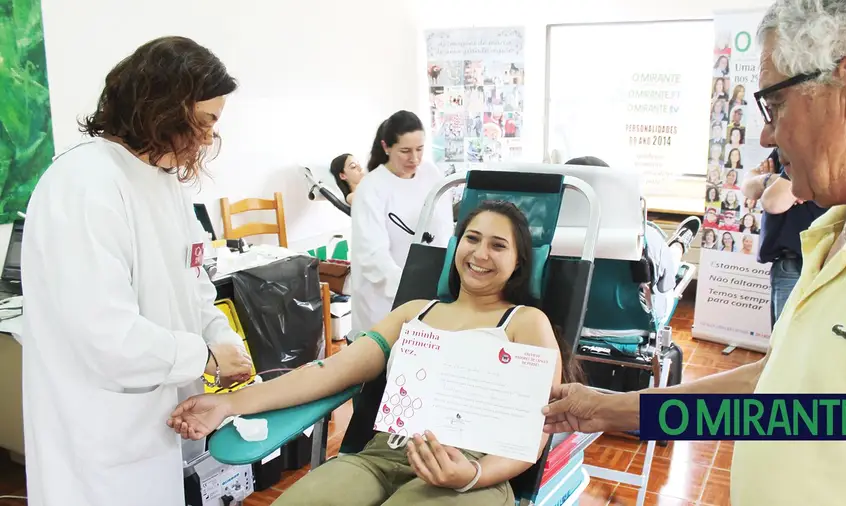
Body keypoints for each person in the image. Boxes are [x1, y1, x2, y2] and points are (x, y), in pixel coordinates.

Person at [543, 2, 846, 505]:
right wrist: (608, 407)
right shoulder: (835, 230)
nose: (765, 136)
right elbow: (776, 396)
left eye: (774, 107)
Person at [168, 200, 578, 505]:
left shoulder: (525, 323)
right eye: (471, 238)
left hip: (470, 470)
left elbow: (532, 433)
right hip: (381, 456)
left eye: (498, 245)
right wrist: (230, 405)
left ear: (520, 262)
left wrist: (471, 475)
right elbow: (329, 371)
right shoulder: (415, 314)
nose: (480, 254)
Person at [19, 36, 254, 506]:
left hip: (157, 424)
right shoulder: (84, 182)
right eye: (203, 123)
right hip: (99, 439)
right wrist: (206, 358)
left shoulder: (166, 183)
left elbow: (194, 283)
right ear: (162, 108)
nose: (208, 139)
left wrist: (224, 340)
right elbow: (104, 335)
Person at [350, 111, 455, 337]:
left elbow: (445, 229)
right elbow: (372, 256)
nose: (414, 159)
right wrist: (410, 288)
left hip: (429, 291)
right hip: (384, 299)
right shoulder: (372, 188)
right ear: (386, 147)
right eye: (405, 151)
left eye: (420, 149)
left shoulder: (430, 174)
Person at [564, 156, 701, 325]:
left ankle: (676, 246)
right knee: (668, 265)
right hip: (631, 326)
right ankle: (679, 245)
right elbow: (665, 286)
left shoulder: (542, 236)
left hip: (561, 324)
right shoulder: (642, 236)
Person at [742, 148, 827, 325]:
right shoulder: (786, 148)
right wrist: (770, 180)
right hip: (786, 263)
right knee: (779, 340)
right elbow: (747, 185)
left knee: (791, 343)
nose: (764, 139)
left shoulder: (811, 148)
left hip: (809, 264)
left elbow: (774, 201)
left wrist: (769, 185)